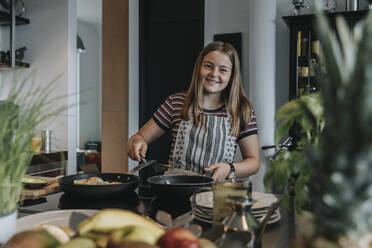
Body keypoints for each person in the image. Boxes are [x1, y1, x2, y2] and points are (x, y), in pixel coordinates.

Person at [127, 41, 260, 180]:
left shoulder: (241, 110)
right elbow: (138, 138)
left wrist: (230, 168)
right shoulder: (175, 103)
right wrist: (136, 144)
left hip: (217, 195)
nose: (214, 74)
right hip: (176, 190)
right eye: (209, 66)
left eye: (223, 70)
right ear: (199, 68)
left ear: (232, 76)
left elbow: (253, 162)